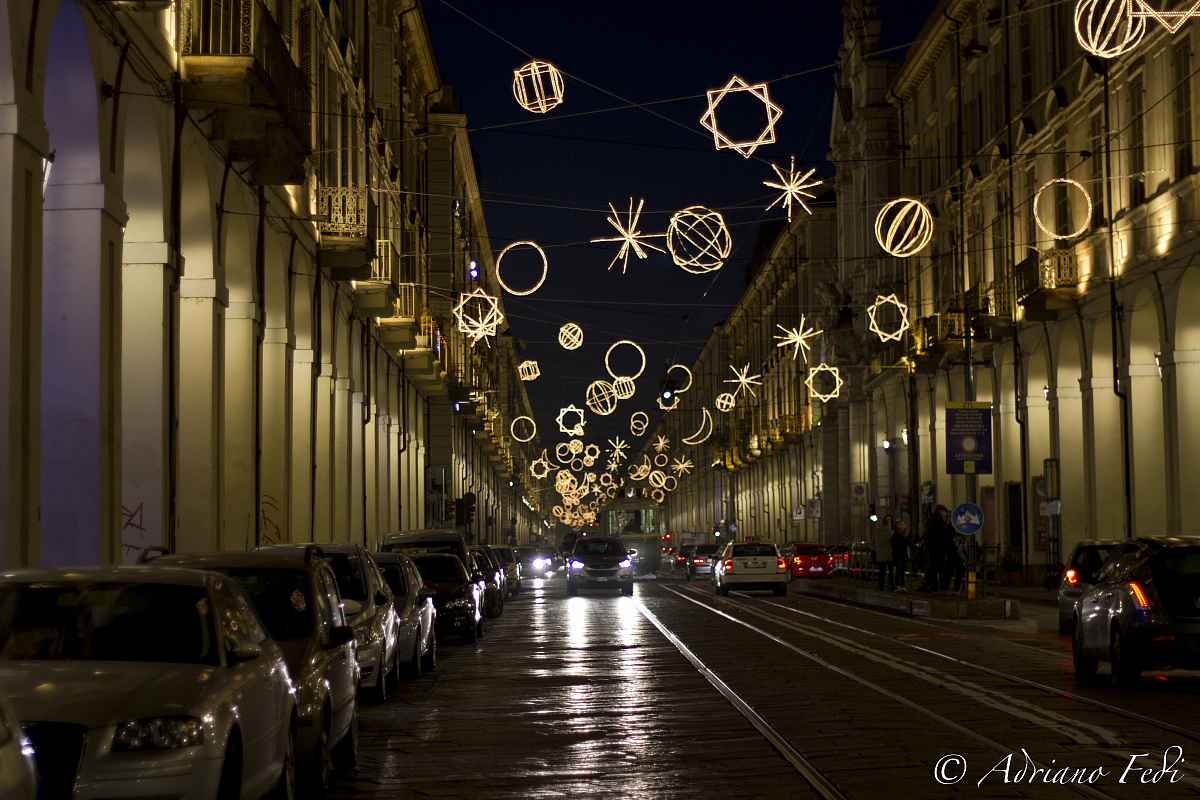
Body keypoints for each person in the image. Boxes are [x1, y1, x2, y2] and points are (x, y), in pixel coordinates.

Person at [873, 514, 895, 590]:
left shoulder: (877, 531)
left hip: (880, 554)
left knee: (881, 571)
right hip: (889, 553)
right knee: (891, 570)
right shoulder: (890, 532)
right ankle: (891, 585)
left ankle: (880, 586)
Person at [891, 521, 911, 591]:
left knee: (903, 570)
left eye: (903, 524)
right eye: (900, 524)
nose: (902, 526)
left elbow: (908, 543)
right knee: (898, 569)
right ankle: (897, 584)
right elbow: (895, 543)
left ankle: (902, 584)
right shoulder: (896, 534)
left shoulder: (907, 534)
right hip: (897, 553)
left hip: (903, 553)